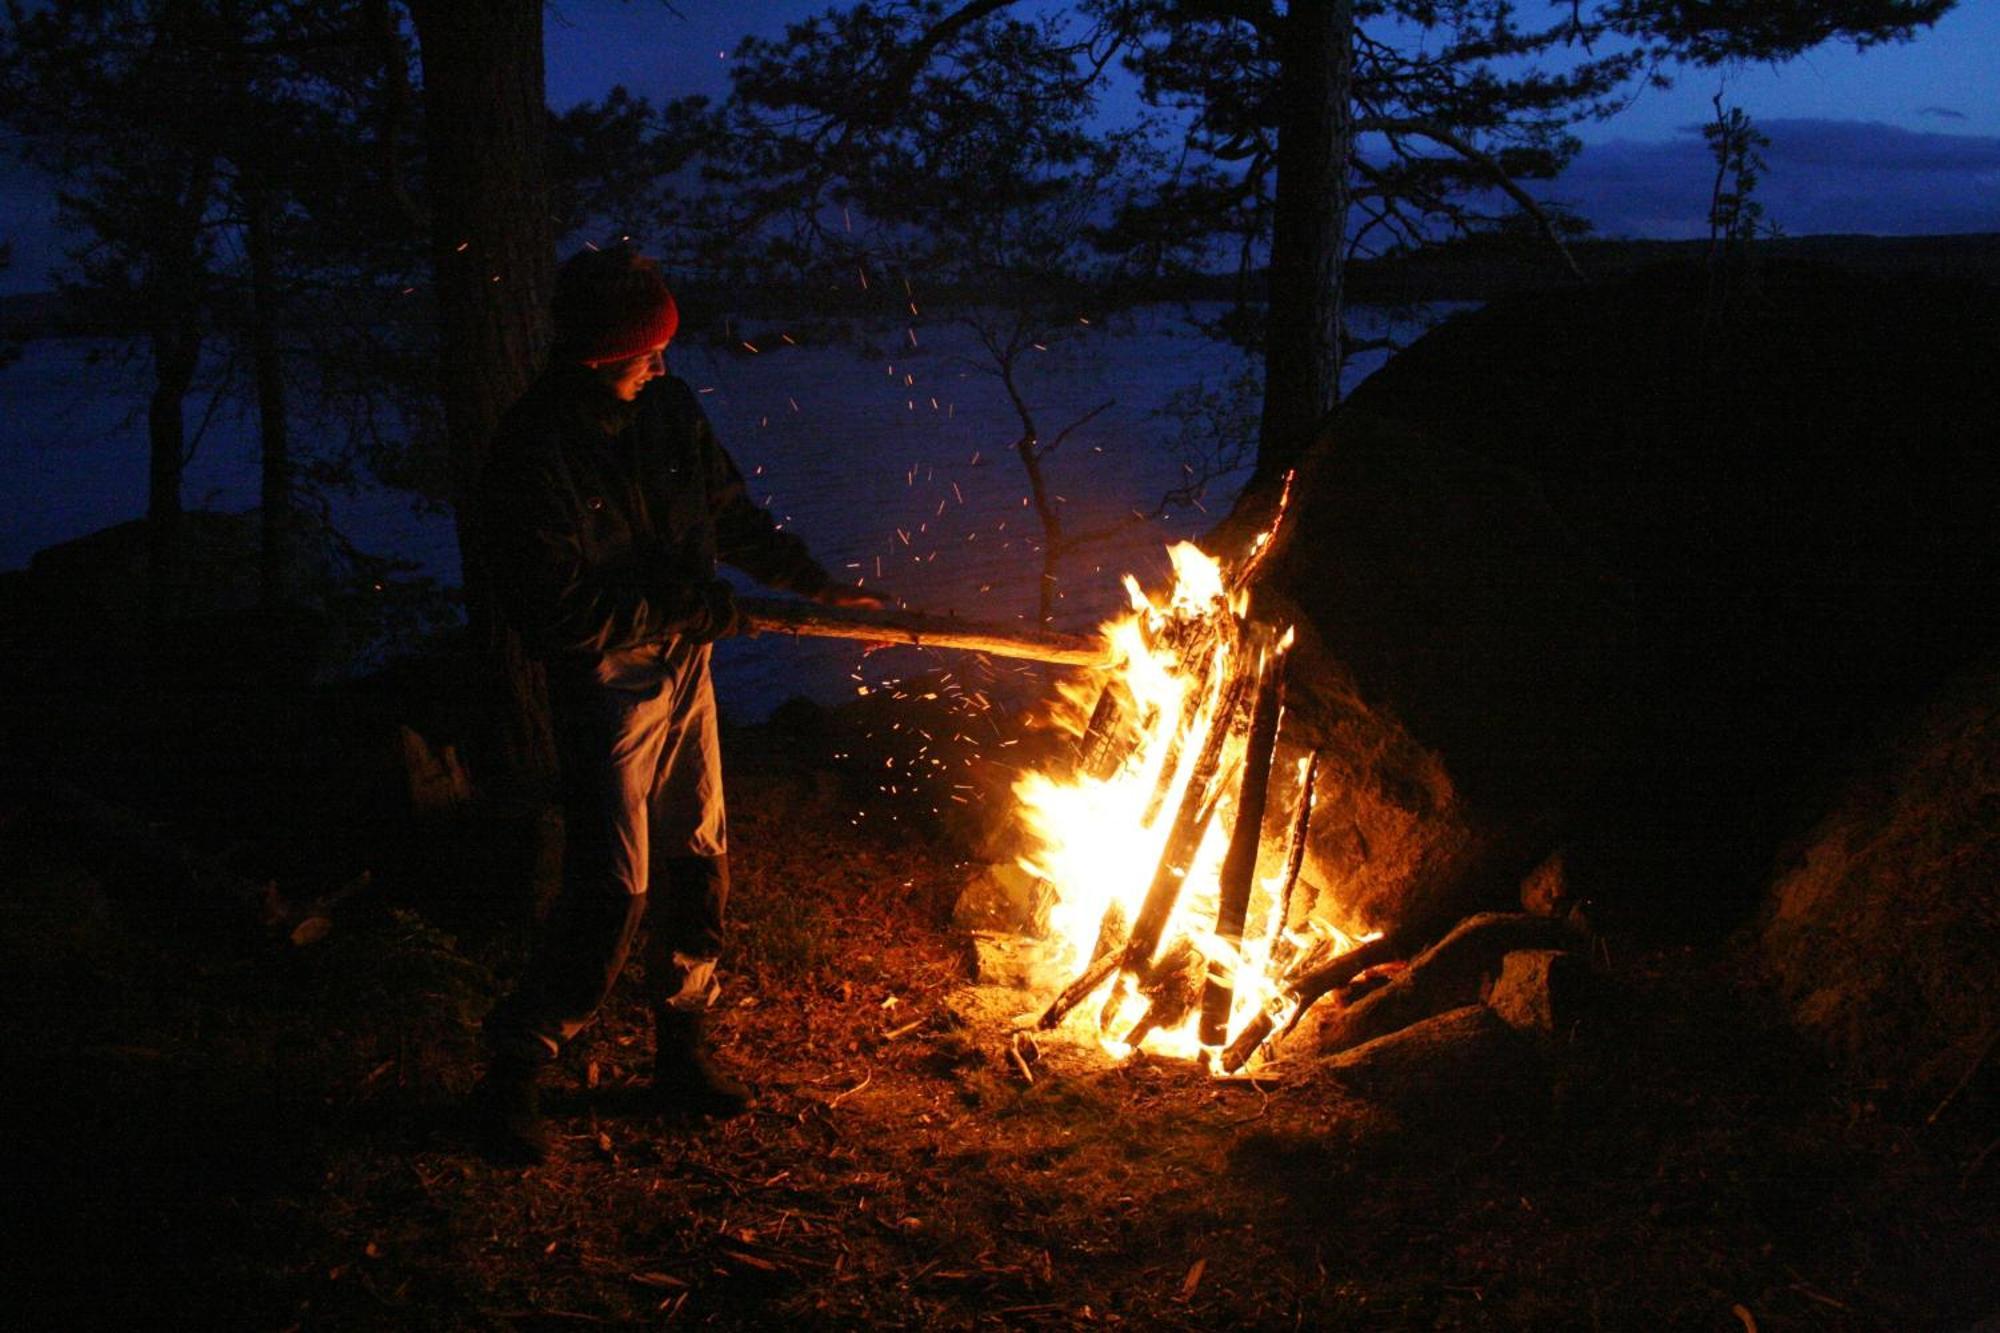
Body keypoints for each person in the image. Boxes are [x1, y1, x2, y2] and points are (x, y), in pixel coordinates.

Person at [471, 245, 879, 1163]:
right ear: (595, 354)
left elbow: (728, 516)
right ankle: (517, 1063)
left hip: (686, 664)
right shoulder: (533, 453)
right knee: (614, 886)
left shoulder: (667, 409)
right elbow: (558, 610)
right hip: (605, 679)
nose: (662, 359)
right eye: (646, 347)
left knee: (700, 852)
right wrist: (689, 607)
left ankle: (682, 1048)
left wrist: (812, 583)